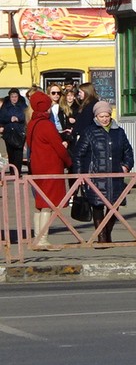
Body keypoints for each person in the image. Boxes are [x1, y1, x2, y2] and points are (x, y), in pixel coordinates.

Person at [73, 100, 134, 245]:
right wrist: (79, 173)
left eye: (107, 115)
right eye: (101, 116)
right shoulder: (89, 132)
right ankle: (102, 237)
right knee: (98, 205)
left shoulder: (118, 131)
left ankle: (107, 232)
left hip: (115, 175)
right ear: (96, 116)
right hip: (95, 175)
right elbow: (78, 154)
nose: (105, 119)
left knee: (114, 207)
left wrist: (126, 166)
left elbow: (128, 151)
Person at [26, 89, 71, 250]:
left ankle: (37, 238)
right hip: (50, 167)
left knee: (39, 203)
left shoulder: (32, 123)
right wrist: (68, 161)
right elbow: (59, 148)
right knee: (48, 204)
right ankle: (43, 239)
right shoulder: (46, 125)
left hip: (36, 166)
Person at [2, 88, 29, 175]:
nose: (14, 98)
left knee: (18, 153)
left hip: (19, 132)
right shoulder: (5, 106)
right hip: (9, 133)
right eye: (12, 96)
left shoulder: (22, 105)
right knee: (11, 153)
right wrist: (10, 118)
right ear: (9, 97)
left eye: (15, 96)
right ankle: (12, 171)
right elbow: (1, 117)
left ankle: (18, 172)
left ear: (18, 97)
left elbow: (26, 116)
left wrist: (18, 118)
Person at [72, 82, 100, 148]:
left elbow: (86, 122)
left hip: (87, 138)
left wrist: (76, 131)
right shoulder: (85, 104)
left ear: (86, 92)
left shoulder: (90, 105)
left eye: (80, 92)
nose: (79, 94)